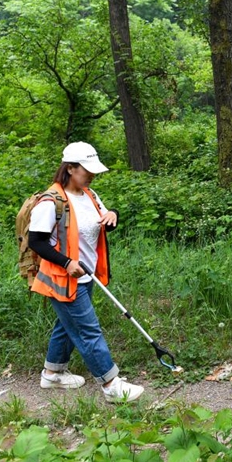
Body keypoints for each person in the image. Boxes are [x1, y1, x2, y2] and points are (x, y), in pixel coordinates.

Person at [28, 141, 144, 403]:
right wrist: (67, 262)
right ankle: (111, 385)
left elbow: (102, 223)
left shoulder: (89, 195)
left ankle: (52, 373)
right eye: (86, 170)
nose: (91, 175)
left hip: (87, 276)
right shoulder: (51, 202)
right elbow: (36, 241)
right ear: (70, 168)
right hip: (63, 278)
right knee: (87, 330)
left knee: (68, 324)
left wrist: (112, 215)